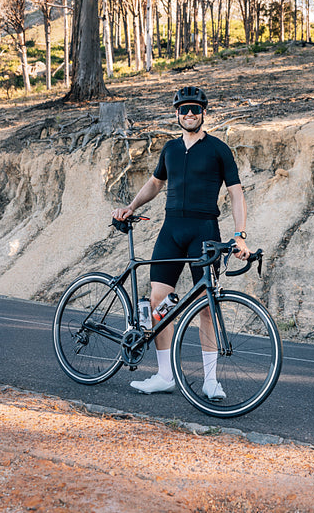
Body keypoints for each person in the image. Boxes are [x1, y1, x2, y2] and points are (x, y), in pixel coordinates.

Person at [113, 85, 250, 399]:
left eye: (195, 109)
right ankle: (164, 375)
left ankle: (211, 381)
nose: (189, 114)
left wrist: (240, 234)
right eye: (184, 109)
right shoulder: (171, 149)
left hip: (204, 231)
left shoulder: (218, 149)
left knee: (207, 308)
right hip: (171, 230)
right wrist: (131, 207)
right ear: (176, 114)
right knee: (158, 301)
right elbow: (155, 182)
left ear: (203, 113)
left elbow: (236, 192)